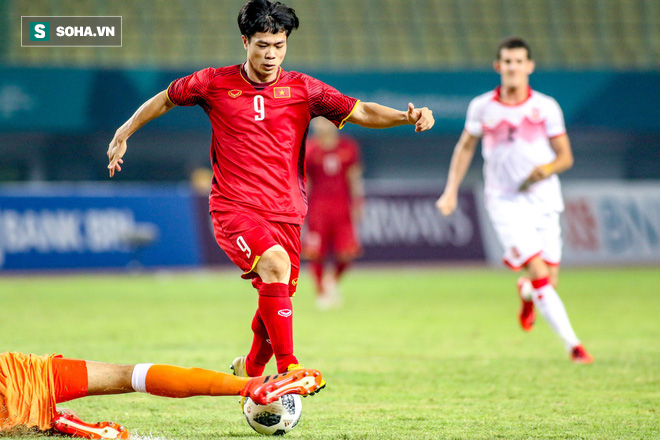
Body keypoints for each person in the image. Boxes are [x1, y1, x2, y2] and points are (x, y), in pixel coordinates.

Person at [107, 0, 434, 381]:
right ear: (245, 41)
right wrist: (123, 131)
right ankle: (289, 369)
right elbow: (165, 98)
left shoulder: (303, 89)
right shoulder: (213, 82)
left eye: (279, 45)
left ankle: (251, 368)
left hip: (287, 211)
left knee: (277, 290)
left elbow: (360, 111)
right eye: (262, 44)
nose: (271, 54)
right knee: (275, 267)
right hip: (234, 208)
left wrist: (405, 117)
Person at [435, 37, 593, 364]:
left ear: (529, 67)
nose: (512, 67)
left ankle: (526, 293)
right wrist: (451, 190)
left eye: (519, 62)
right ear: (498, 67)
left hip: (544, 198)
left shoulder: (546, 107)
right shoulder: (483, 106)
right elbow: (465, 147)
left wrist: (545, 169)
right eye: (507, 62)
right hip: (503, 200)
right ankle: (574, 347)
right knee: (539, 273)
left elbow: (565, 157)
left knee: (548, 281)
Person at [0, 351, 323, 438]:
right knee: (128, 375)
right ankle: (248, 385)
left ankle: (61, 427)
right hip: (12, 369)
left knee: (19, 423)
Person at [303, 117, 364, 310]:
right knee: (316, 253)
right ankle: (321, 293)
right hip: (318, 208)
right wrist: (302, 207)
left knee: (347, 253)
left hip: (342, 207)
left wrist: (358, 203)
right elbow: (305, 182)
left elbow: (354, 177)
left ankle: (331, 281)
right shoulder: (309, 149)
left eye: (324, 122)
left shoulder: (348, 147)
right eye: (317, 123)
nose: (319, 126)